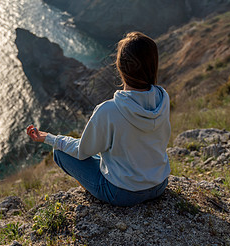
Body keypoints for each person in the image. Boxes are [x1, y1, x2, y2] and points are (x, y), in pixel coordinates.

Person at [26, 31, 171, 207]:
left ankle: (96, 196)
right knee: (103, 147)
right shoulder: (163, 99)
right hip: (159, 184)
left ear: (120, 66)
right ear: (153, 64)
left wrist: (49, 138)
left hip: (123, 194)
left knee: (60, 151)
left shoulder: (109, 110)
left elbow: (82, 151)